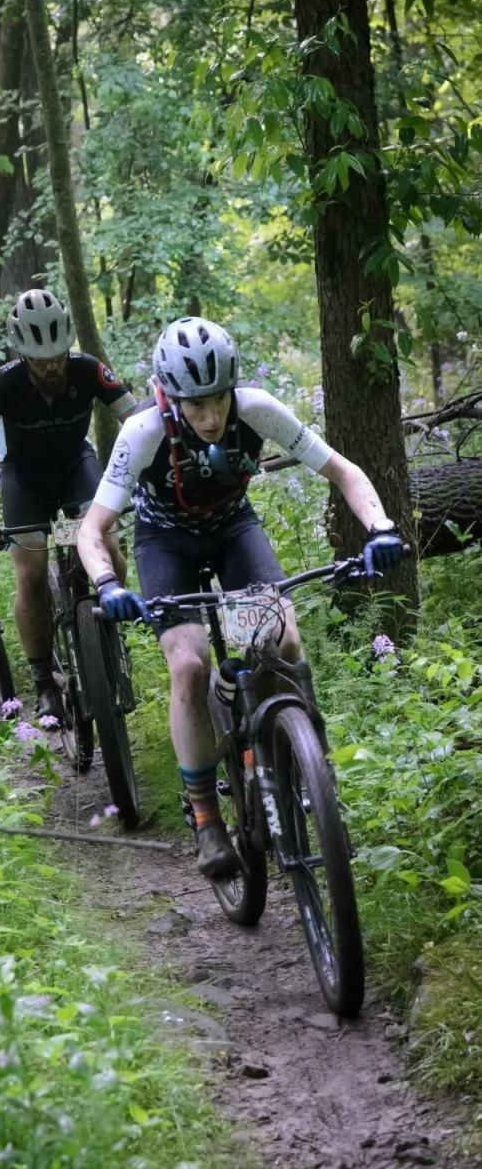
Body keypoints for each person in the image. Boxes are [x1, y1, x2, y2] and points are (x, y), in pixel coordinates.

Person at [77, 316, 405, 878]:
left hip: (233, 531)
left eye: (218, 401)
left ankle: (305, 769)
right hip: (165, 544)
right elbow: (91, 528)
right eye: (195, 404)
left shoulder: (257, 409)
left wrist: (381, 528)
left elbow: (344, 472)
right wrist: (109, 585)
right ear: (170, 397)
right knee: (188, 666)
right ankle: (205, 818)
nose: (209, 417)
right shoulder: (142, 432)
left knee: (282, 639)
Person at [0, 288, 137, 720]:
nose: (52, 366)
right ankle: (42, 681)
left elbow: (138, 420)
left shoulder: (91, 370)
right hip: (24, 476)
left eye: (58, 355)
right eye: (40, 360)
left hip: (77, 464)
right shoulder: (1, 385)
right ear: (22, 353)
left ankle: (112, 640)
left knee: (109, 549)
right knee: (31, 573)